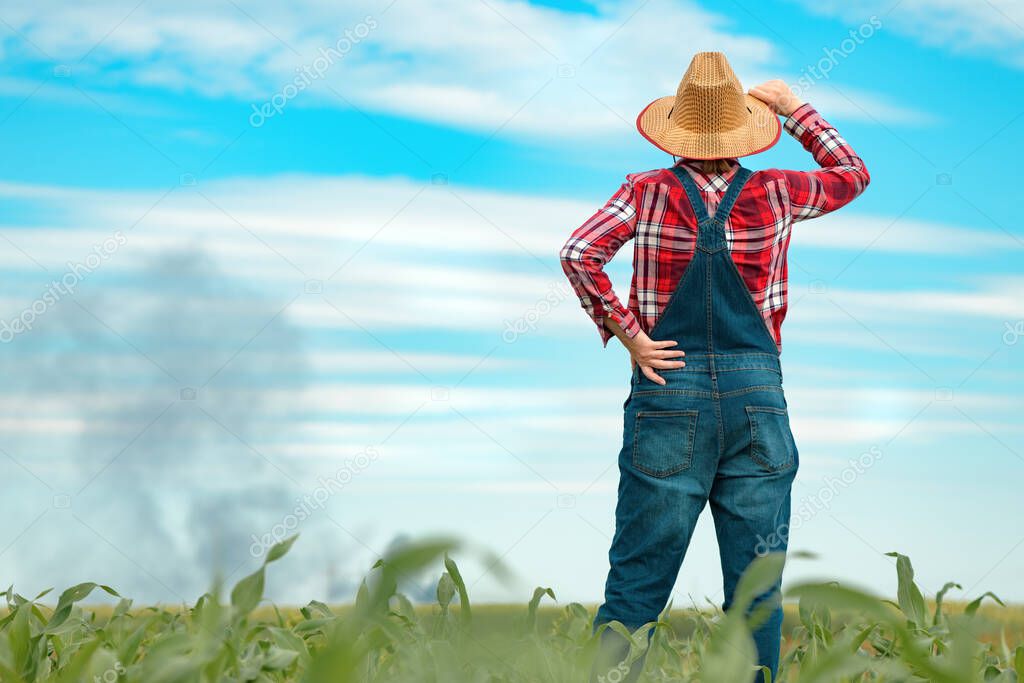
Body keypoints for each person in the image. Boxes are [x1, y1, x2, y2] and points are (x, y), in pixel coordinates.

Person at [560, 51, 870, 682]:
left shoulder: (645, 191)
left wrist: (630, 336)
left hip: (666, 391)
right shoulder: (779, 190)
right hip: (758, 400)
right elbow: (852, 173)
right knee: (756, 590)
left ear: (676, 127)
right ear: (745, 130)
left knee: (638, 583)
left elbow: (578, 253)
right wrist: (795, 109)